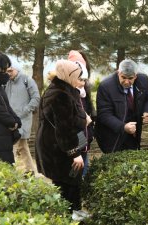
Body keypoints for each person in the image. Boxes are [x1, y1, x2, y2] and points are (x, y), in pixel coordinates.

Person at [35, 60, 91, 213]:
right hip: (60, 151)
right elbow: (64, 130)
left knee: (72, 183)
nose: (81, 82)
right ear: (69, 76)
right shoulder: (60, 95)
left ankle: (73, 215)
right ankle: (71, 217)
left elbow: (74, 119)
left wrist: (84, 119)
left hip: (64, 148)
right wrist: (76, 153)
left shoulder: (66, 90)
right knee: (68, 186)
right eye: (78, 78)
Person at [94, 59, 148, 153]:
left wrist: (147, 111)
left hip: (134, 131)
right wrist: (123, 127)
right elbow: (104, 114)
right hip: (112, 134)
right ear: (118, 73)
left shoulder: (143, 81)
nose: (126, 82)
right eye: (123, 77)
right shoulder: (106, 86)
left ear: (136, 76)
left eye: (130, 78)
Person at [5, 61, 40, 174]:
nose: (8, 73)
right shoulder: (6, 82)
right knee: (22, 147)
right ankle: (30, 171)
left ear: (17, 69)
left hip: (22, 121)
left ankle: (10, 174)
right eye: (6, 71)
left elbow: (36, 98)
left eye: (10, 70)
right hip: (10, 121)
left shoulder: (27, 80)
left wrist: (24, 111)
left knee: (13, 148)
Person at [68, 50, 95, 177]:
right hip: (74, 136)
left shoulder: (83, 91)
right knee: (74, 171)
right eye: (80, 80)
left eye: (84, 80)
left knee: (84, 166)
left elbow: (88, 108)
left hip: (83, 135)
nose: (83, 83)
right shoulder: (66, 93)